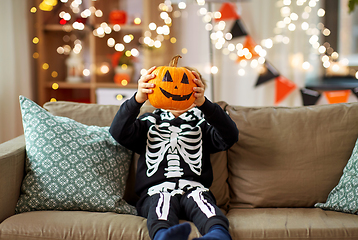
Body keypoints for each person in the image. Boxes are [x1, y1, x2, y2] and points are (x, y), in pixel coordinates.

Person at [109, 66, 239, 240]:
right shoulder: (148, 122)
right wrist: (138, 99)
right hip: (156, 190)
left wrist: (205, 105)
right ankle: (164, 236)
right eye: (171, 83)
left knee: (203, 203)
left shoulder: (202, 125)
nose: (178, 88)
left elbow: (230, 136)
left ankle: (217, 235)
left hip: (195, 188)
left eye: (189, 85)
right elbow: (118, 131)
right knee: (161, 203)